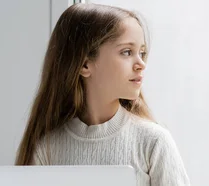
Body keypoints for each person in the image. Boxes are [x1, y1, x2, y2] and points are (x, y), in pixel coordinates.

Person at [14, 3, 190, 186]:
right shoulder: (47, 148)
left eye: (142, 53)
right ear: (85, 65)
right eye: (127, 52)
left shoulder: (154, 143)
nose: (141, 64)